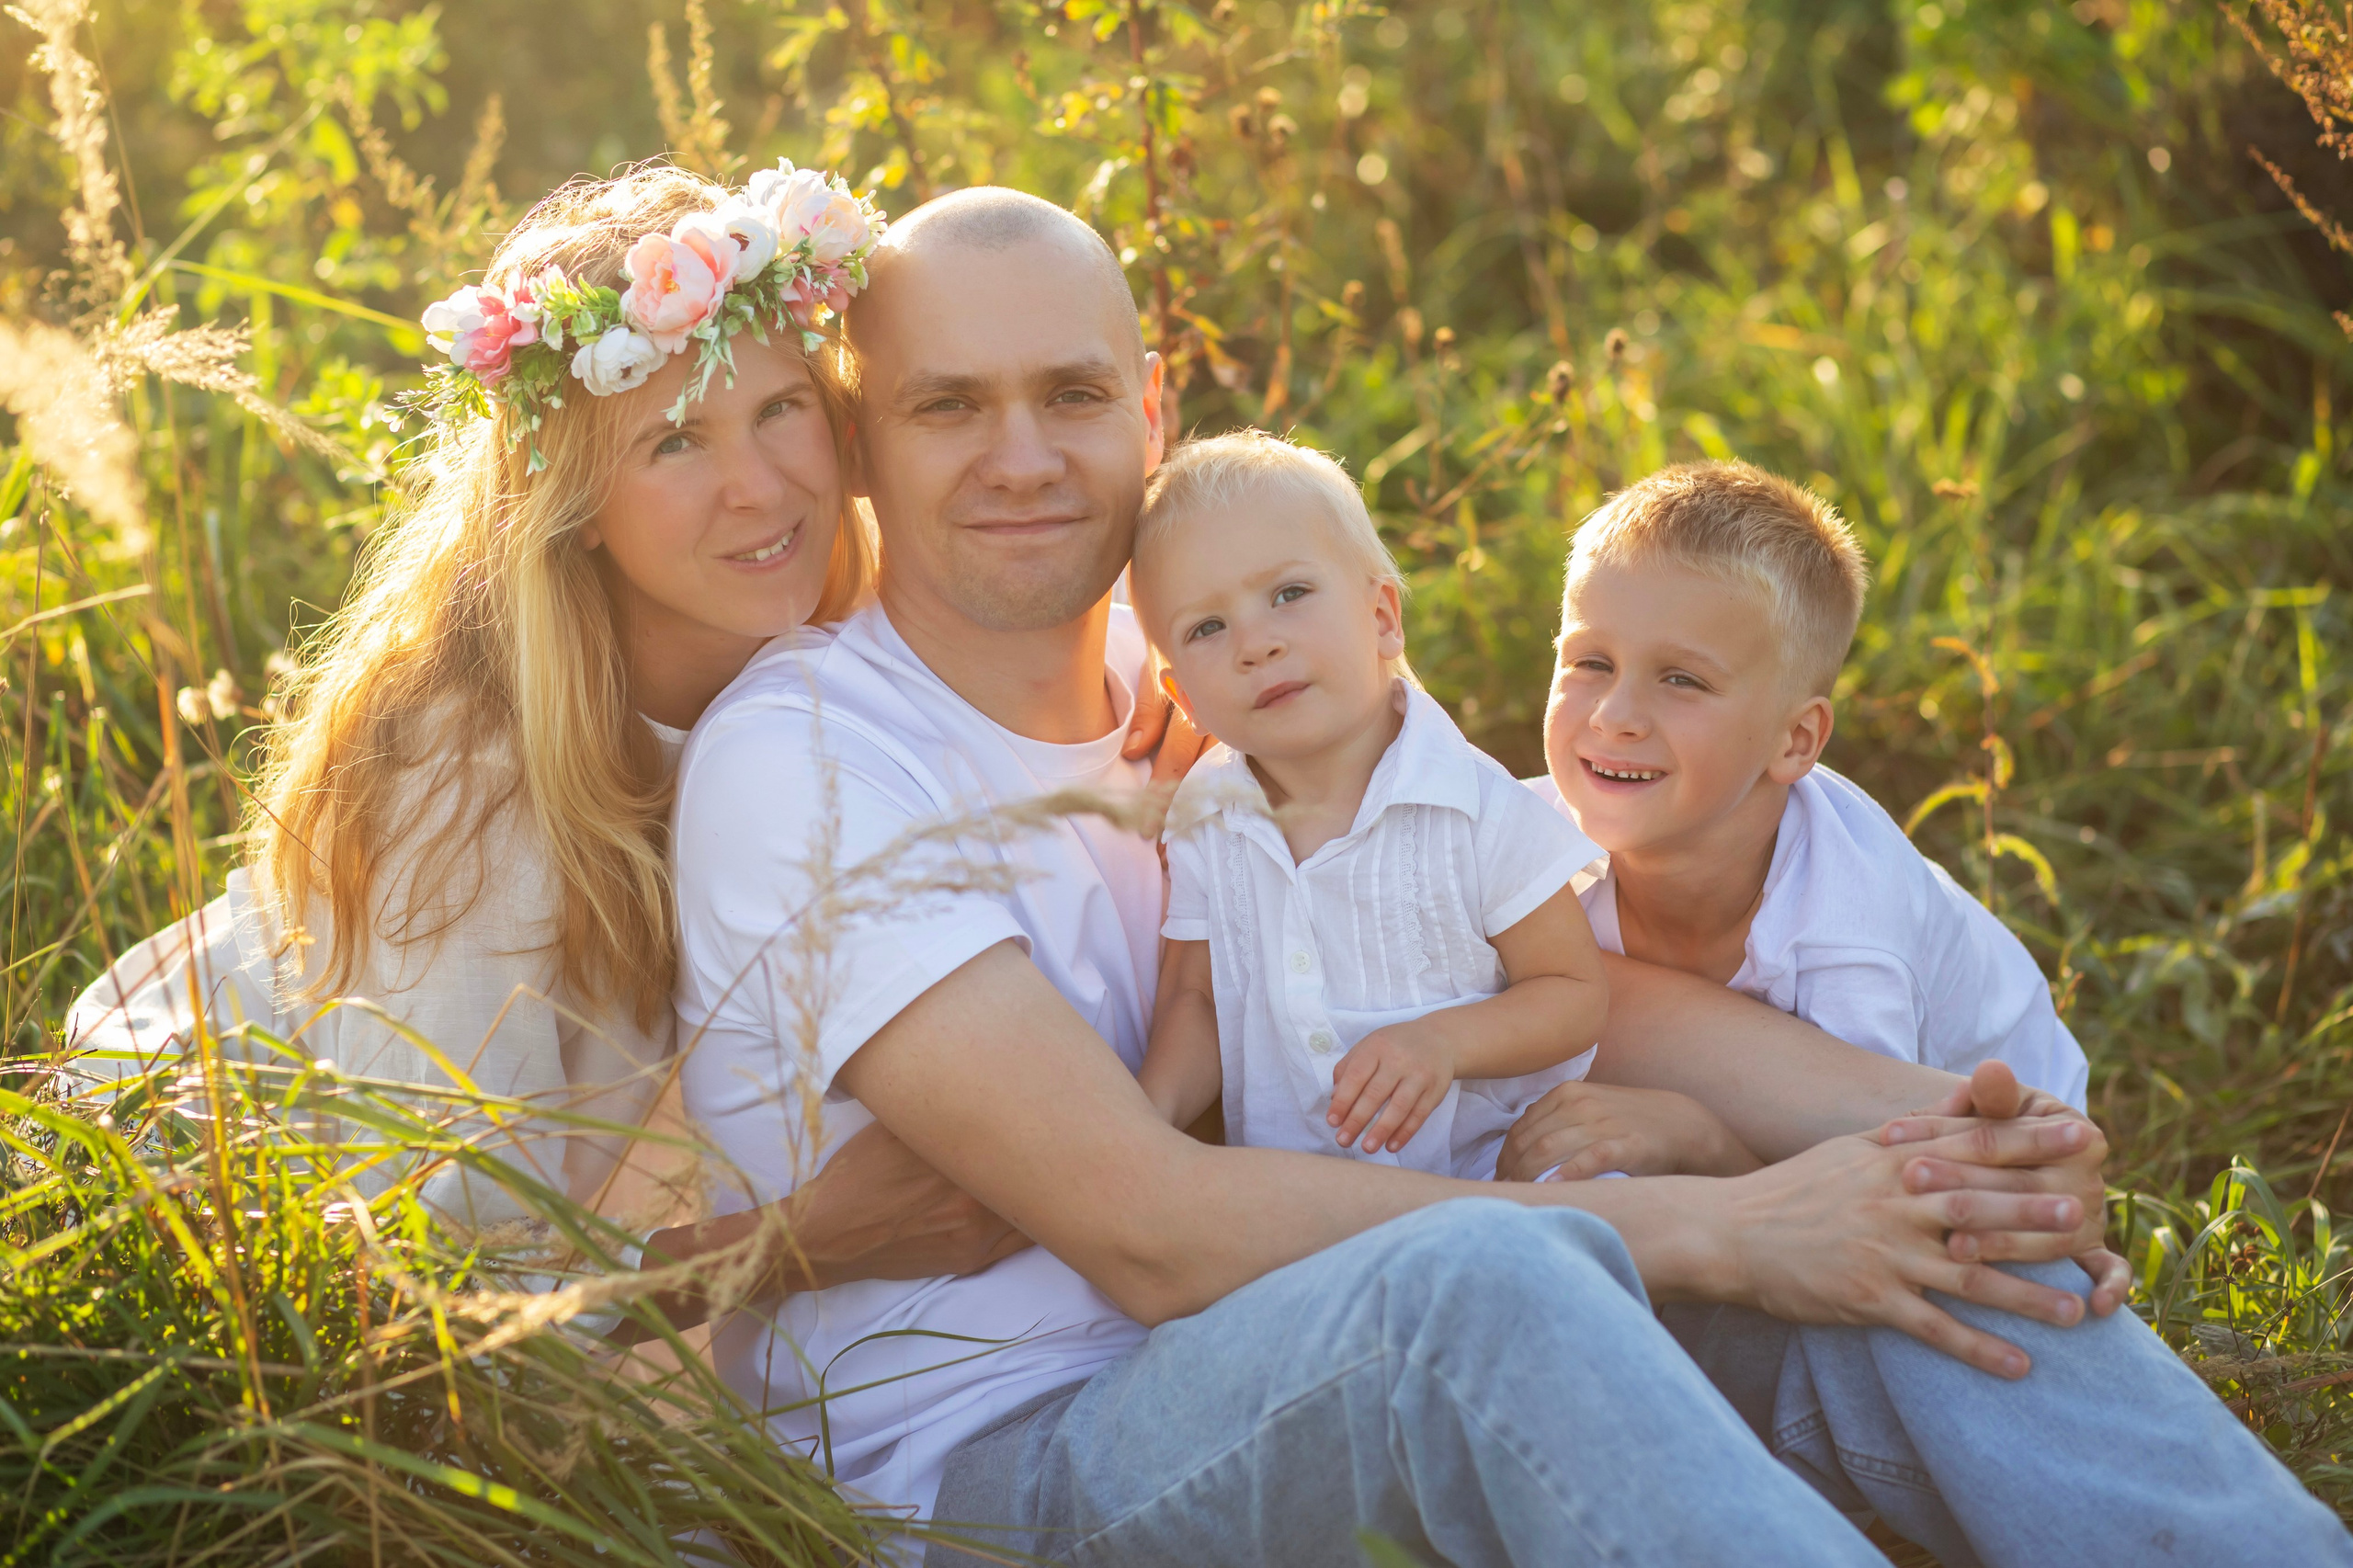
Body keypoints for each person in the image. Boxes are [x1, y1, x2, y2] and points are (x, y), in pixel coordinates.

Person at [668, 183, 2346, 1566]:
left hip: (1290, 1335)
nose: (1023, 456)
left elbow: (1526, 961)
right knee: (1488, 1279)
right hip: (1006, 1470)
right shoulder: (813, 760)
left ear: (1153, 403)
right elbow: (1153, 1232)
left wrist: (1930, 1134)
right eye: (949, 405)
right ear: (861, 438)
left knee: (1920, 1230)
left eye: (1073, 394)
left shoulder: (1208, 645)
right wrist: (1707, 1227)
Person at [61, 165, 1049, 1304]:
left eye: (780, 409)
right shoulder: (469, 792)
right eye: (675, 443)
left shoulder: (834, 658)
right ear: (571, 497)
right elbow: (419, 1296)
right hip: (154, 1216)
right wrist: (804, 1239)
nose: (758, 488)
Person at [1504, 460, 2090, 1189]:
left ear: (1795, 741)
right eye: (1591, 661)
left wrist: (1697, 1139)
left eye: (1681, 679)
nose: (1614, 716)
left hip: (1997, 1147)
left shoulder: (1848, 937)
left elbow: (1865, 1181)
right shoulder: (1522, 839)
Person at [1131, 430, 1608, 1174]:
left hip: (1491, 1174)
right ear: (1183, 697)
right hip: (1304, 1195)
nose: (1255, 644)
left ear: (1383, 617)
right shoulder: (1207, 814)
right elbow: (1196, 999)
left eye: (1288, 594)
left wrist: (1444, 1041)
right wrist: (1142, 1125)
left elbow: (1574, 994)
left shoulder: (1471, 804)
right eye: (1207, 628)